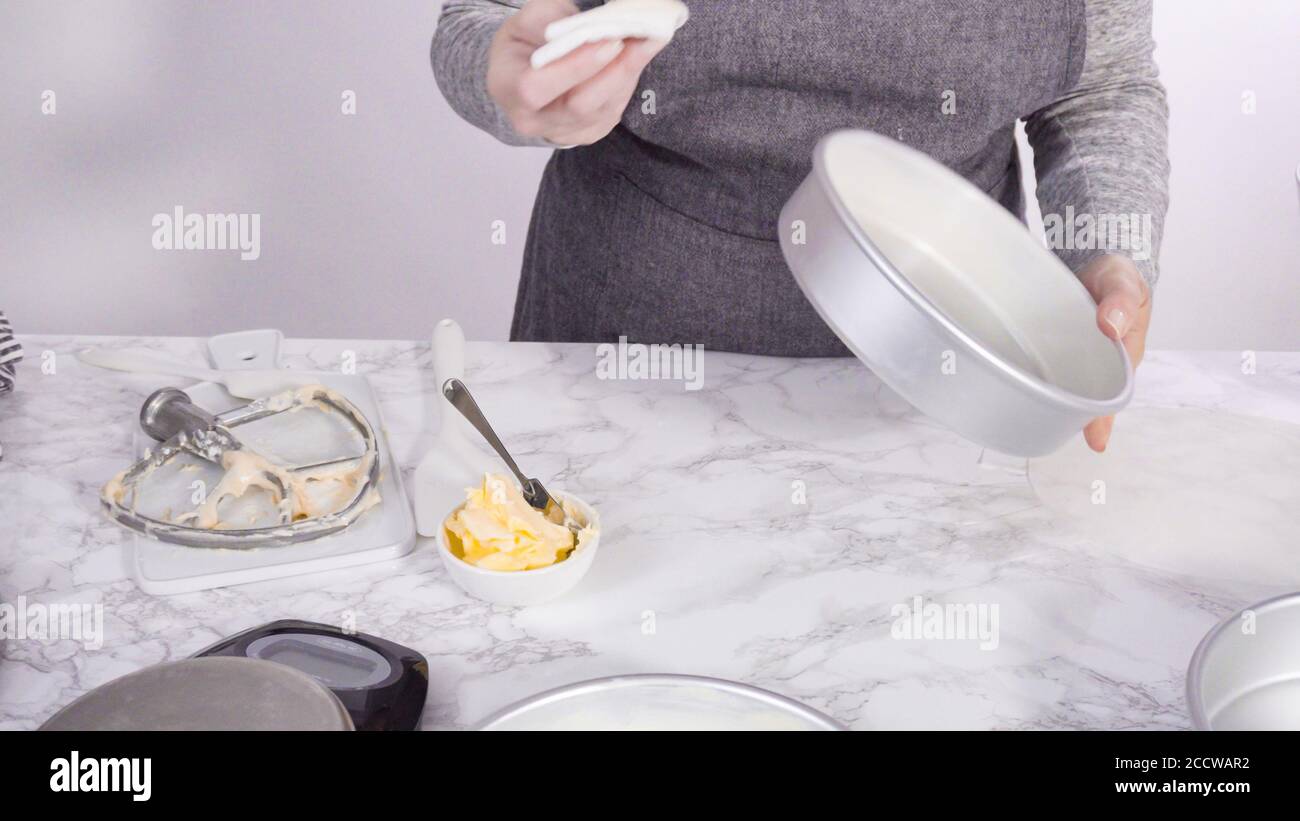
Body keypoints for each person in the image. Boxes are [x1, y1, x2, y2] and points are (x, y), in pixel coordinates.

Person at [432, 0, 1169, 451]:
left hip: (951, 380)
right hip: (624, 351)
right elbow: (481, 20)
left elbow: (1101, 84)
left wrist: (1110, 249)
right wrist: (515, 78)